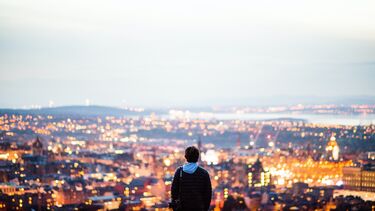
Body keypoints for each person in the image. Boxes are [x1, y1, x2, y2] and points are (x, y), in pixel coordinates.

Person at [171, 146, 212, 211]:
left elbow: (174, 192)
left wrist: (175, 207)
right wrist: (204, 208)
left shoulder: (179, 172)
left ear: (186, 157)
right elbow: (208, 195)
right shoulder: (204, 173)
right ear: (198, 157)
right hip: (198, 208)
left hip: (182, 208)